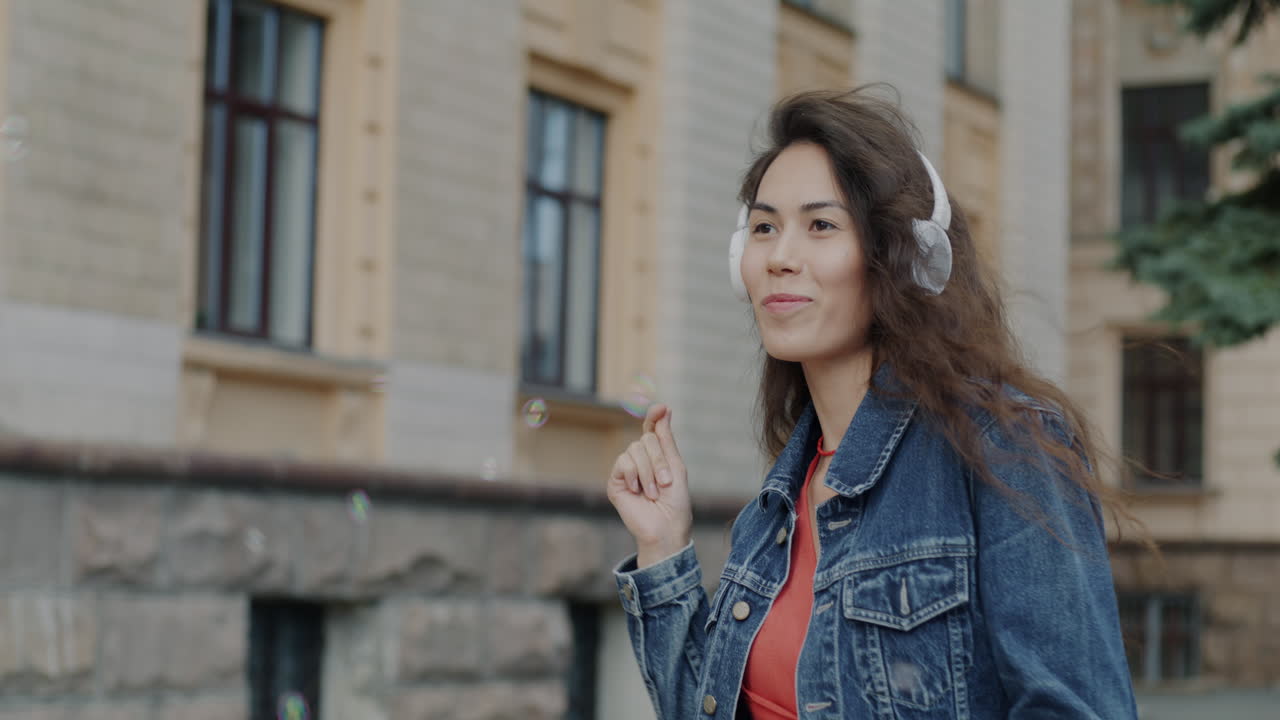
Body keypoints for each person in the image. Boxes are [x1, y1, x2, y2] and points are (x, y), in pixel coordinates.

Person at [605, 87, 1144, 719]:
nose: (780, 257)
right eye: (763, 227)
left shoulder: (1004, 446)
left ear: (905, 256)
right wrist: (664, 547)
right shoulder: (770, 513)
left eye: (821, 225)